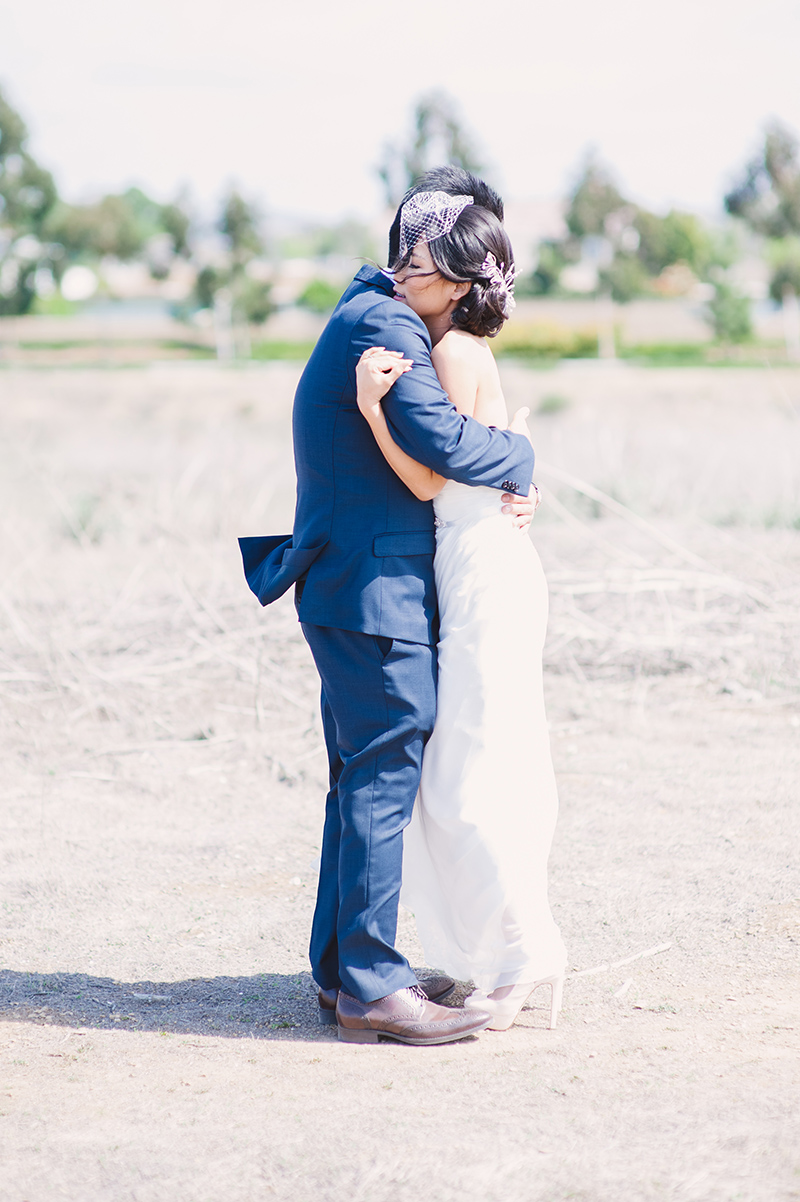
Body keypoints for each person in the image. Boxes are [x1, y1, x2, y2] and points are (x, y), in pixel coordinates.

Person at [239, 168, 537, 1046]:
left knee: (359, 777)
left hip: (357, 584)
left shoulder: (372, 308)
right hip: (370, 590)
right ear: (424, 263)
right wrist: (521, 455)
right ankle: (370, 984)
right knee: (382, 770)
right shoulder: (385, 321)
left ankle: (344, 973)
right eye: (463, 269)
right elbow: (440, 442)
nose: (475, 290)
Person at [355, 197, 567, 1031]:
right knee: (478, 768)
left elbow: (430, 480)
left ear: (459, 280)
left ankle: (518, 960)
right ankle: (516, 953)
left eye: (419, 263)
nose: (402, 272)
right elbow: (491, 456)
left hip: (481, 570)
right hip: (483, 565)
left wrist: (373, 409)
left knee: (464, 781)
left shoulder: (449, 350)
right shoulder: (465, 345)